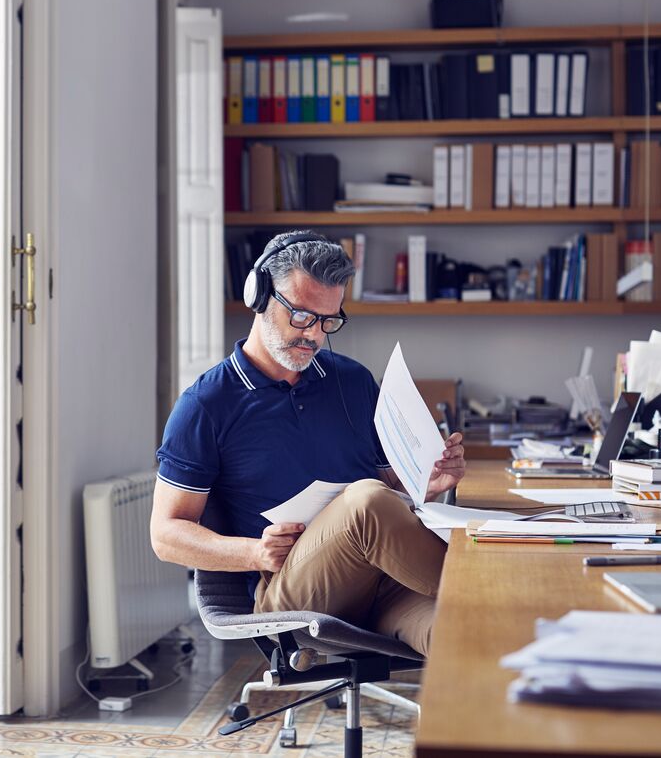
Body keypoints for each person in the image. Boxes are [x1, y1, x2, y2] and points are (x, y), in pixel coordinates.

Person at [149, 231, 465, 656]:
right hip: (296, 598)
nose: (314, 335)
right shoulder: (206, 405)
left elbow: (390, 486)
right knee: (366, 500)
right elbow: (165, 535)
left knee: (470, 634)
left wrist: (426, 481)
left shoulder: (352, 382)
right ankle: (490, 585)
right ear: (260, 295)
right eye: (301, 316)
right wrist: (255, 553)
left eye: (328, 320)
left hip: (384, 585)